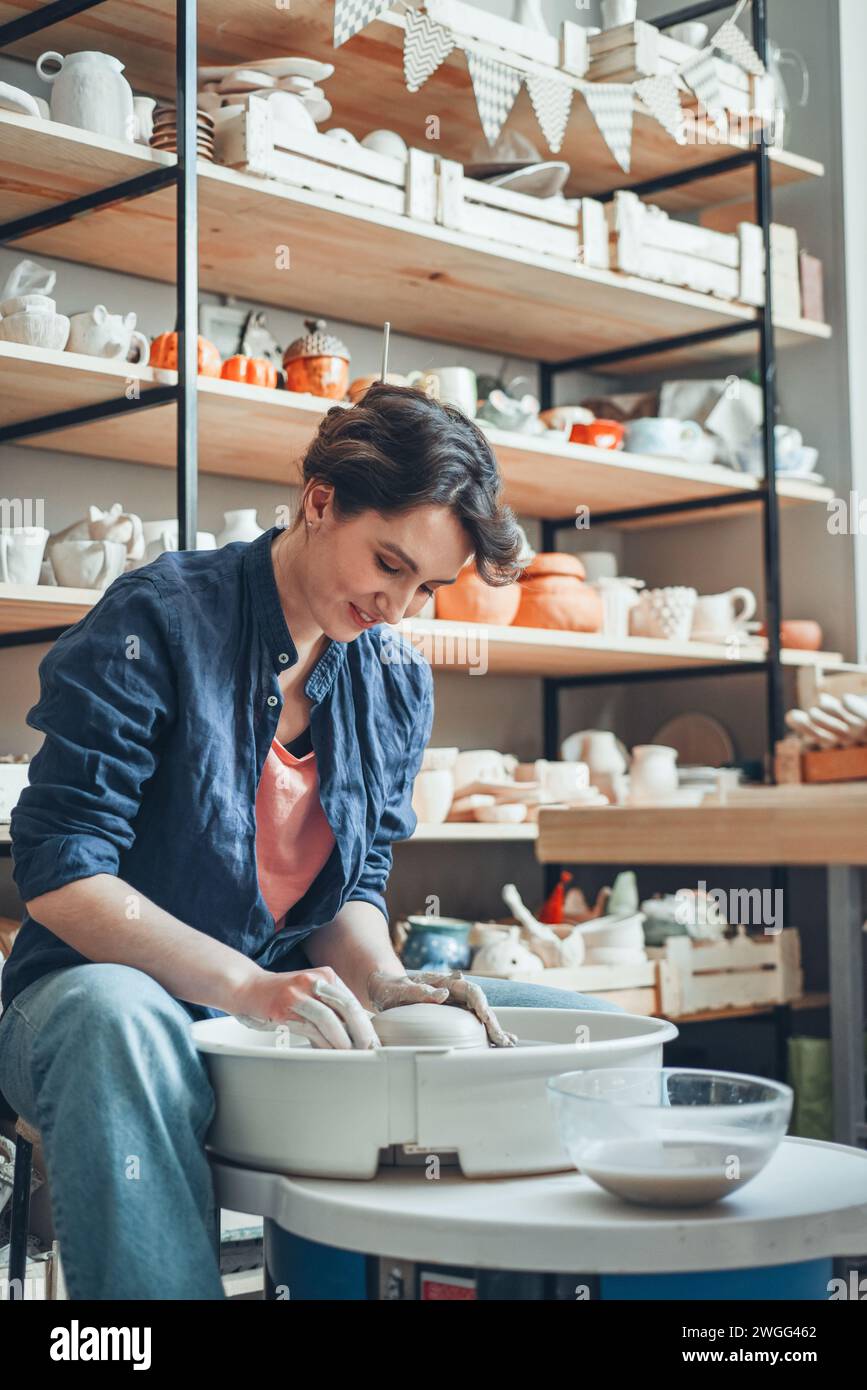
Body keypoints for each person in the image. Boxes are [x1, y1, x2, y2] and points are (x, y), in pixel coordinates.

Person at [0, 383, 622, 1299]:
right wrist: (249, 987)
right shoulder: (158, 620)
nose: (398, 607)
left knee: (592, 1035)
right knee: (117, 1020)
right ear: (319, 499)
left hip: (276, 1003)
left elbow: (353, 892)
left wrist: (382, 980)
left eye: (426, 587)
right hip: (103, 999)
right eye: (387, 563)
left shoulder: (395, 676)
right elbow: (63, 873)